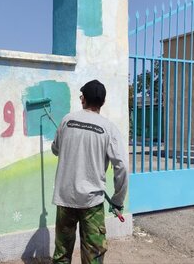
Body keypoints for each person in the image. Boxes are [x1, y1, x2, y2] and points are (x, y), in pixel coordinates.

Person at [51, 79, 129, 264]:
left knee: (61, 254)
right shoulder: (109, 128)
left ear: (83, 99)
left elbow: (56, 149)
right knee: (93, 256)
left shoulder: (66, 120)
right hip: (92, 203)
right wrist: (117, 201)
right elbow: (123, 166)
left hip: (65, 199)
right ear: (102, 102)